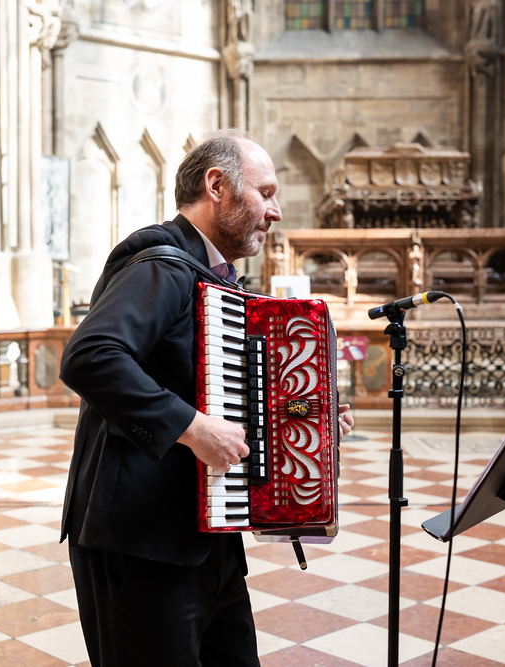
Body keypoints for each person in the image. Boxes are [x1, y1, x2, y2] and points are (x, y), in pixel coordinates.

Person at [59, 131, 354, 667]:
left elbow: (226, 394)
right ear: (216, 185)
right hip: (141, 541)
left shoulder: (218, 281)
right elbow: (91, 356)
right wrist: (192, 429)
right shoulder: (159, 264)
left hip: (208, 532)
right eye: (265, 193)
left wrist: (306, 416)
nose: (275, 212)